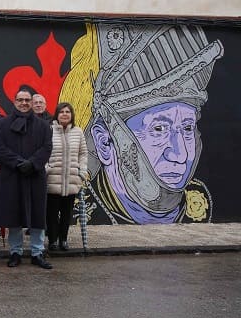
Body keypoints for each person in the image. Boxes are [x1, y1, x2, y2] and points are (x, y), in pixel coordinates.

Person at [59, 23, 223, 224]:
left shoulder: (199, 204)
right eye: (159, 129)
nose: (181, 155)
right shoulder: (80, 215)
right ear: (104, 143)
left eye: (187, 128)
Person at [0, 89, 54, 269]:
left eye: (27, 100)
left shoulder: (43, 126)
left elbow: (47, 147)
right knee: (14, 215)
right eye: (20, 100)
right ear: (14, 101)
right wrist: (19, 163)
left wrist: (33, 163)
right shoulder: (2, 125)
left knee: (37, 215)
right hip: (12, 175)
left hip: (35, 176)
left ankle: (37, 253)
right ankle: (15, 252)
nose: (24, 103)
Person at [45, 102, 88, 251]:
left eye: (67, 112)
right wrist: (47, 169)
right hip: (52, 180)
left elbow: (83, 153)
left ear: (72, 115)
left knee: (66, 213)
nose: (64, 114)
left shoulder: (78, 132)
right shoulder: (49, 130)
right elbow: (43, 151)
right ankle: (52, 240)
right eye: (61, 111)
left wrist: (81, 172)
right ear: (56, 114)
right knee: (51, 214)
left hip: (71, 180)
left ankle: (63, 240)